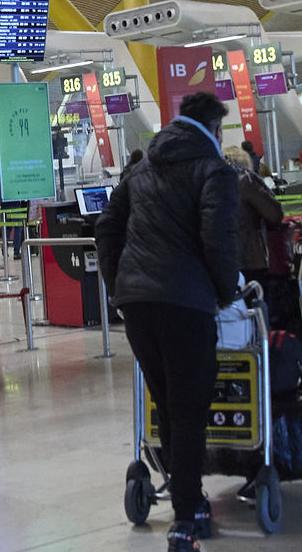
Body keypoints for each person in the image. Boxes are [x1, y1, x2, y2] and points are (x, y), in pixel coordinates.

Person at [97, 92, 239, 551]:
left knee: (166, 402)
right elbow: (218, 240)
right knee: (190, 407)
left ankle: (189, 497)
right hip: (185, 302)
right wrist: (224, 292)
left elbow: (106, 228)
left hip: (138, 304)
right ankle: (186, 515)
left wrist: (118, 285)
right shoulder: (214, 171)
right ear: (215, 129)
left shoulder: (141, 168)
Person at [222, 145, 284, 288]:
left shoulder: (214, 184)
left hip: (223, 259)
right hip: (250, 259)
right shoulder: (246, 181)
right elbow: (275, 214)